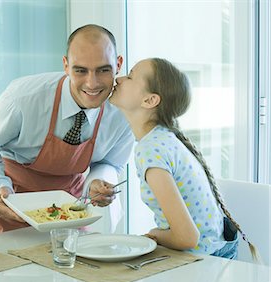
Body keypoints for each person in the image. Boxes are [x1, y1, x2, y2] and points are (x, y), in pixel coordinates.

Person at [0, 24, 134, 235]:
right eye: (80, 70)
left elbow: (110, 163)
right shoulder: (23, 98)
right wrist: (0, 187)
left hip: (71, 207)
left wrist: (97, 182)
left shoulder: (124, 110)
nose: (92, 83)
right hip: (14, 202)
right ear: (66, 65)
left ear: (118, 64)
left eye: (103, 70)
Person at [109, 57, 260, 260]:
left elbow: (187, 238)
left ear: (150, 100)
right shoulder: (162, 138)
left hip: (206, 263)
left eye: (130, 76)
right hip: (216, 254)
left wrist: (154, 235)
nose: (118, 79)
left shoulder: (151, 149)